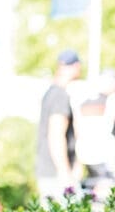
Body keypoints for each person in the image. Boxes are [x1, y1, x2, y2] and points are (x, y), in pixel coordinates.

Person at [35, 49, 82, 200]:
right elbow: (56, 134)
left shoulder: (51, 92)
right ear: (76, 66)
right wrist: (65, 173)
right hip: (56, 173)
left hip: (48, 170)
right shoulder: (59, 95)